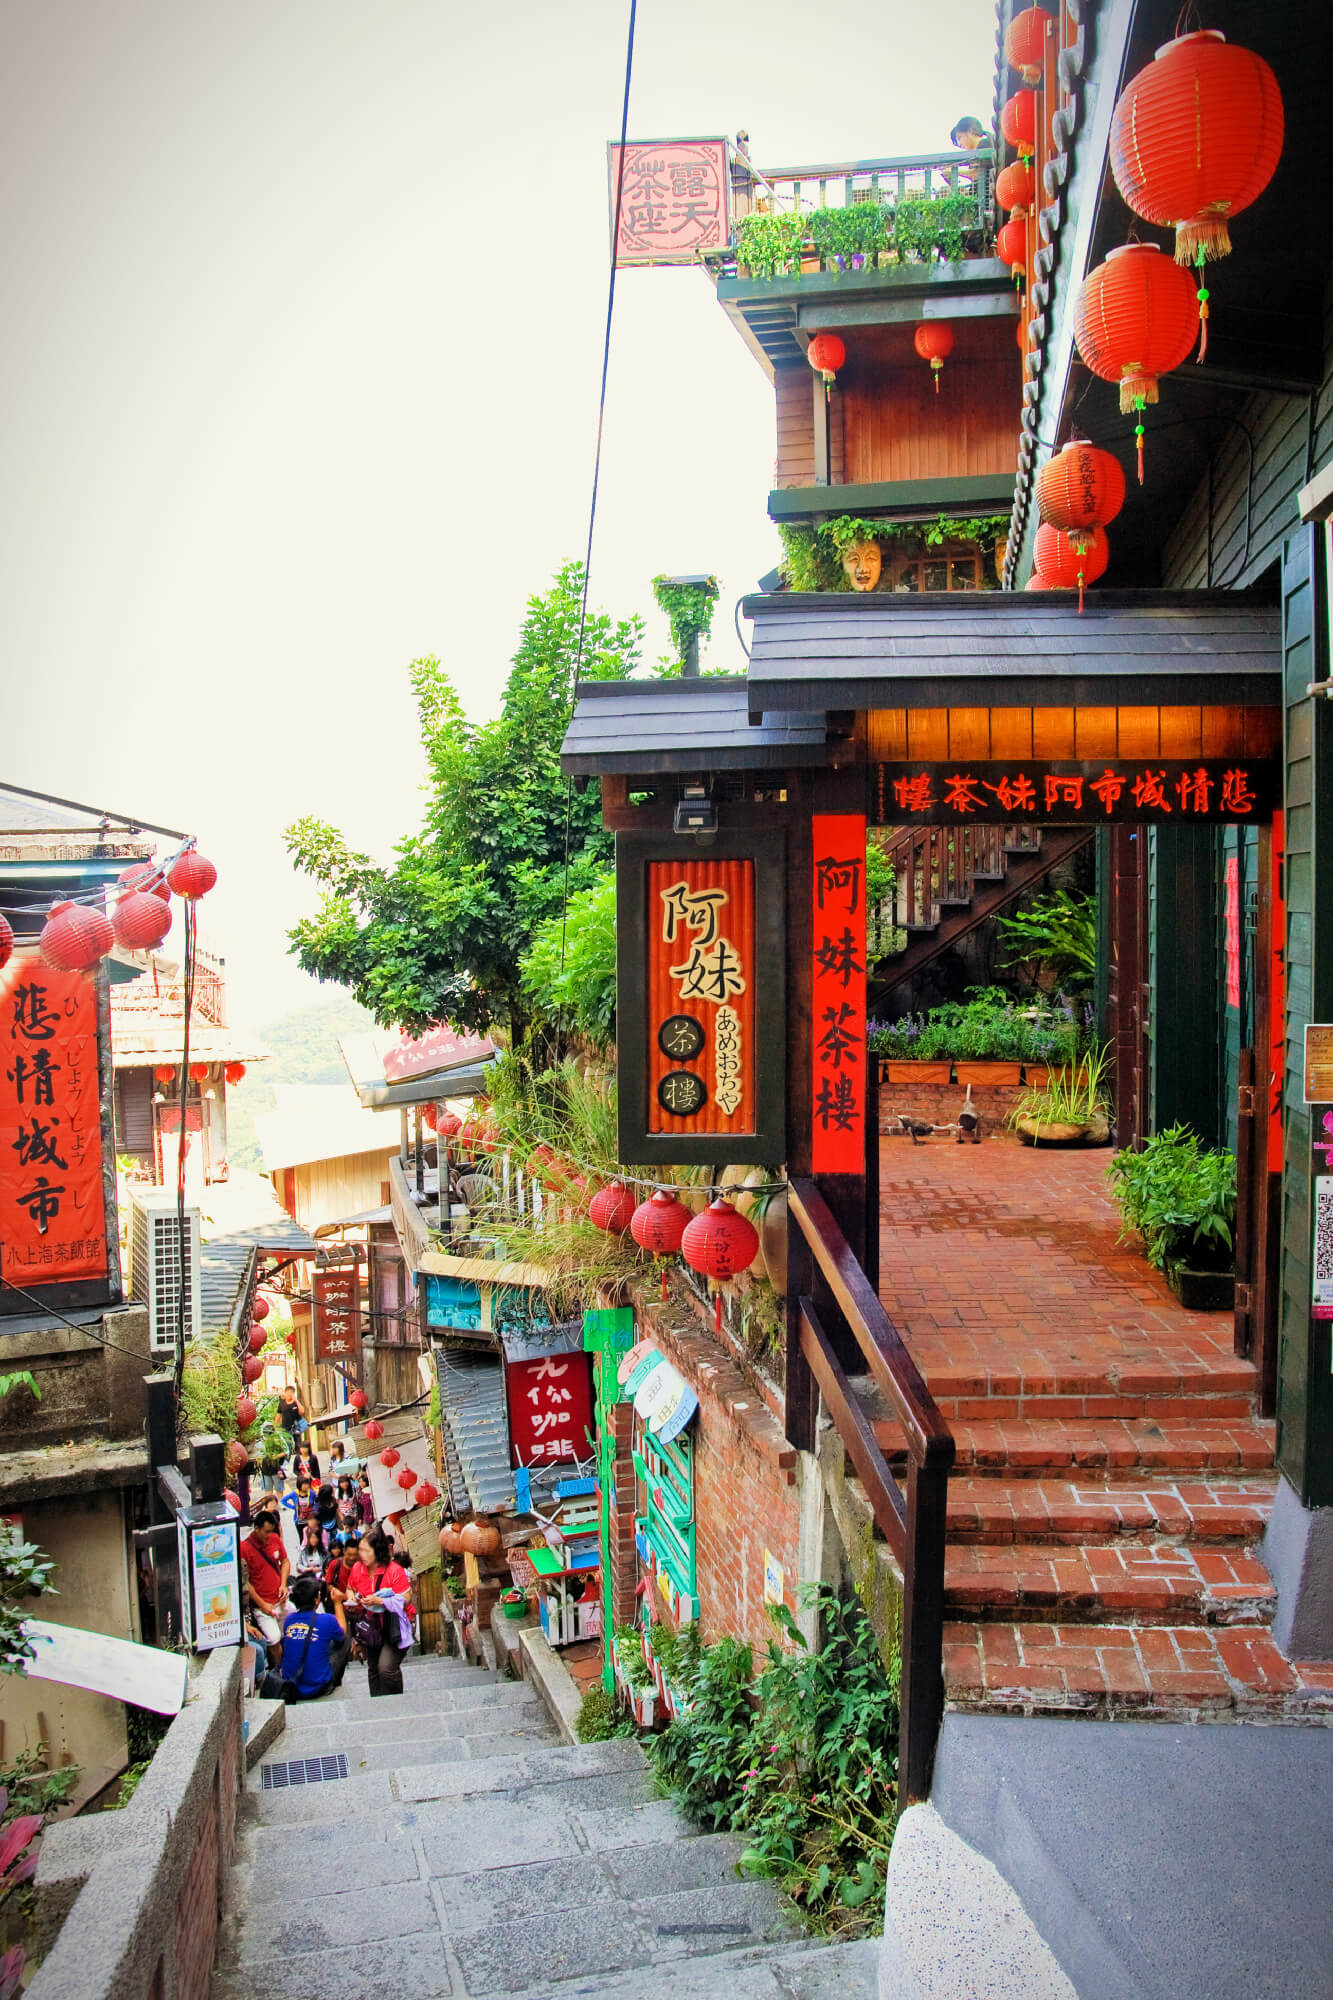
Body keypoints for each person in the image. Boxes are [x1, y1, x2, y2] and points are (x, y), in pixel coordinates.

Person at [345, 1529, 414, 1698]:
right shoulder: (357, 1569)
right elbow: (349, 1588)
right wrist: (351, 1597)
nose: (361, 1555)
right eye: (360, 1550)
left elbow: (407, 1598)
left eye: (365, 1550)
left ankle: (397, 1699)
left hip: (394, 1626)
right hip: (371, 1627)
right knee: (373, 1668)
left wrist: (380, 1601)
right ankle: (376, 1703)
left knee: (386, 1668)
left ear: (378, 1551)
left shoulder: (394, 1571)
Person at [263, 1573, 350, 1703]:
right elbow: (342, 1635)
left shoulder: (289, 1620)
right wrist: (337, 1603)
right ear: (316, 1600)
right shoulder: (327, 1620)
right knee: (344, 1638)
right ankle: (335, 1683)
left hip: (291, 1684)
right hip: (317, 1687)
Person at [239, 1501, 289, 1650]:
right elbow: (246, 1582)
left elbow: (285, 1562)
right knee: (274, 1639)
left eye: (271, 1531)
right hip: (262, 1606)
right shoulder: (244, 1548)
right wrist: (262, 1605)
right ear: (256, 1528)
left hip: (280, 1600)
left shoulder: (274, 1539)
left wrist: (283, 1584)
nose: (269, 1536)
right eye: (266, 1532)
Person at [314, 1481, 339, 1546]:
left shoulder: (333, 1500)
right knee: (327, 1545)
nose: (334, 1492)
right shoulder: (320, 1506)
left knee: (335, 1544)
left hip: (334, 1527)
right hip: (324, 1530)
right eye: (332, 1491)